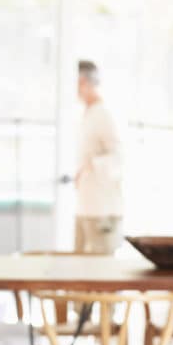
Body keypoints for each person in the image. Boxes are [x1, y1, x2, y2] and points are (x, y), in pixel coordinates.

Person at [73, 59, 125, 255]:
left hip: (102, 209)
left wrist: (90, 166)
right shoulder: (87, 114)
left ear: (84, 82)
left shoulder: (105, 114)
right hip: (85, 206)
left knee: (100, 271)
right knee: (78, 270)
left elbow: (119, 157)